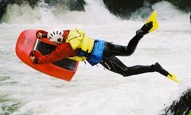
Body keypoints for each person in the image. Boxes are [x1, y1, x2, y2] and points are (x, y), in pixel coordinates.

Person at [30, 22, 170, 78]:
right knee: (128, 50)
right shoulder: (67, 33)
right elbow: (56, 35)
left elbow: (51, 58)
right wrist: (44, 35)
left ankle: (154, 68)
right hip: (103, 44)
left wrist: (36, 60)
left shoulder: (65, 48)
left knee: (125, 72)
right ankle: (140, 33)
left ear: (58, 40)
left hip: (102, 55)